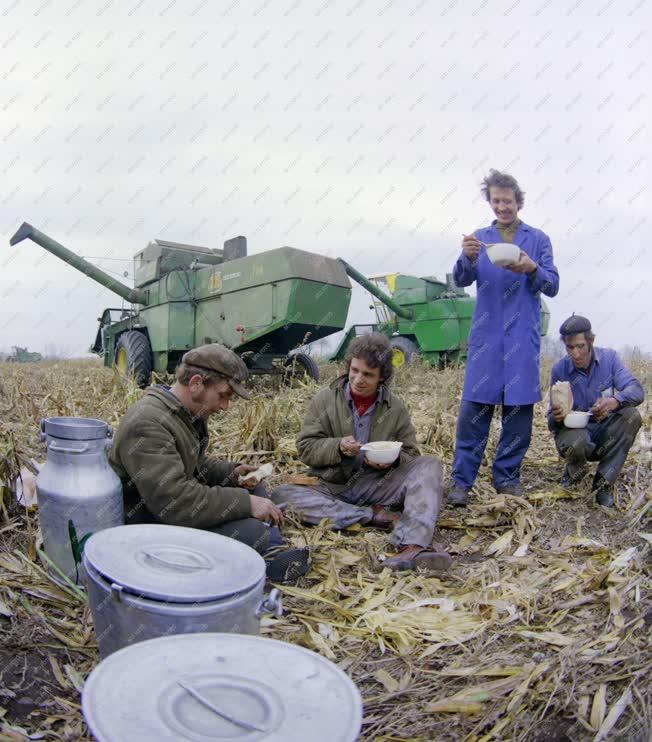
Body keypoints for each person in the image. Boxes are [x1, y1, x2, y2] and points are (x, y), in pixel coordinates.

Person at [109, 343, 309, 581]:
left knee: (254, 487)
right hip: (149, 521)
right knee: (254, 532)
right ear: (195, 384)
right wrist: (245, 504)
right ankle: (264, 561)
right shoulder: (148, 423)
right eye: (223, 395)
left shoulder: (183, 413)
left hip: (173, 508)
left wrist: (233, 474)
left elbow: (194, 466)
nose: (225, 407)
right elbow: (175, 503)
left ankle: (265, 544)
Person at [271, 333, 451, 572]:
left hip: (380, 483)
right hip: (332, 485)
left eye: (368, 374)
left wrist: (394, 459)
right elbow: (306, 448)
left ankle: (412, 546)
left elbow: (411, 453)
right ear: (348, 366)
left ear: (382, 377)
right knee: (282, 495)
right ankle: (370, 516)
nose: (358, 379)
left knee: (430, 465)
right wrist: (338, 448)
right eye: (354, 370)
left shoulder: (394, 407)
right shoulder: (325, 400)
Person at [449, 169, 560, 505]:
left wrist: (532, 269)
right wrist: (466, 257)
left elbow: (552, 285)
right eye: (496, 200)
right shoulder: (480, 238)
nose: (502, 206)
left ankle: (507, 478)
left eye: (507, 201)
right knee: (474, 413)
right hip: (486, 337)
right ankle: (461, 482)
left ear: (518, 201)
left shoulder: (538, 239)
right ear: (490, 201)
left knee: (518, 415)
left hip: (521, 339)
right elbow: (461, 280)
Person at [548, 315, 643, 506]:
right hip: (575, 436)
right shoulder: (560, 369)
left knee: (631, 416)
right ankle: (574, 471)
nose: (575, 354)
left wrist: (614, 401)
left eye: (580, 346)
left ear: (591, 341)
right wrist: (557, 417)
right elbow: (550, 421)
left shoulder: (610, 359)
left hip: (603, 432)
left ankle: (603, 484)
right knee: (578, 441)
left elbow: (636, 390)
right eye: (570, 347)